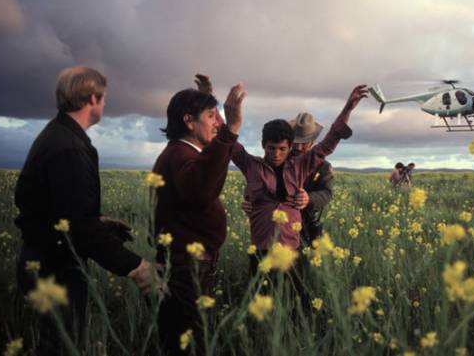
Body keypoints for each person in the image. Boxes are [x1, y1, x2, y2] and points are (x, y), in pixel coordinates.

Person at [14, 66, 158, 355]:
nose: (105, 104)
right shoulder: (69, 147)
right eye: (103, 98)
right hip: (55, 267)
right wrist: (136, 267)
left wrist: (99, 221)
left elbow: (57, 210)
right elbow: (78, 226)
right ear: (92, 98)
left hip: (45, 259)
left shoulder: (57, 136)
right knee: (59, 347)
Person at [152, 76, 245, 356]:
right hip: (186, 271)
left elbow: (202, 174)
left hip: (186, 268)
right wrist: (231, 129)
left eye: (217, 117)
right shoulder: (181, 155)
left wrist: (207, 98)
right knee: (190, 345)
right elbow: (200, 188)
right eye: (210, 116)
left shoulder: (182, 152)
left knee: (186, 340)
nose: (216, 122)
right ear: (189, 121)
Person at [231, 86, 367, 272]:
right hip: (262, 246)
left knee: (294, 294)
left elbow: (331, 141)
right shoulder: (253, 166)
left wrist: (347, 109)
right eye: (272, 148)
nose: (277, 154)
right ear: (264, 146)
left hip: (296, 238)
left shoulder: (306, 166)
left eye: (282, 149)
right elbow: (229, 143)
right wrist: (249, 200)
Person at [242, 112, 333, 247]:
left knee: (300, 266)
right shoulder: (279, 159)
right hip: (274, 227)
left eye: (304, 143)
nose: (299, 147)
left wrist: (309, 199)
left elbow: (327, 193)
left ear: (313, 142)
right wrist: (248, 200)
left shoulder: (323, 166)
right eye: (296, 142)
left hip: (305, 224)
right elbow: (257, 179)